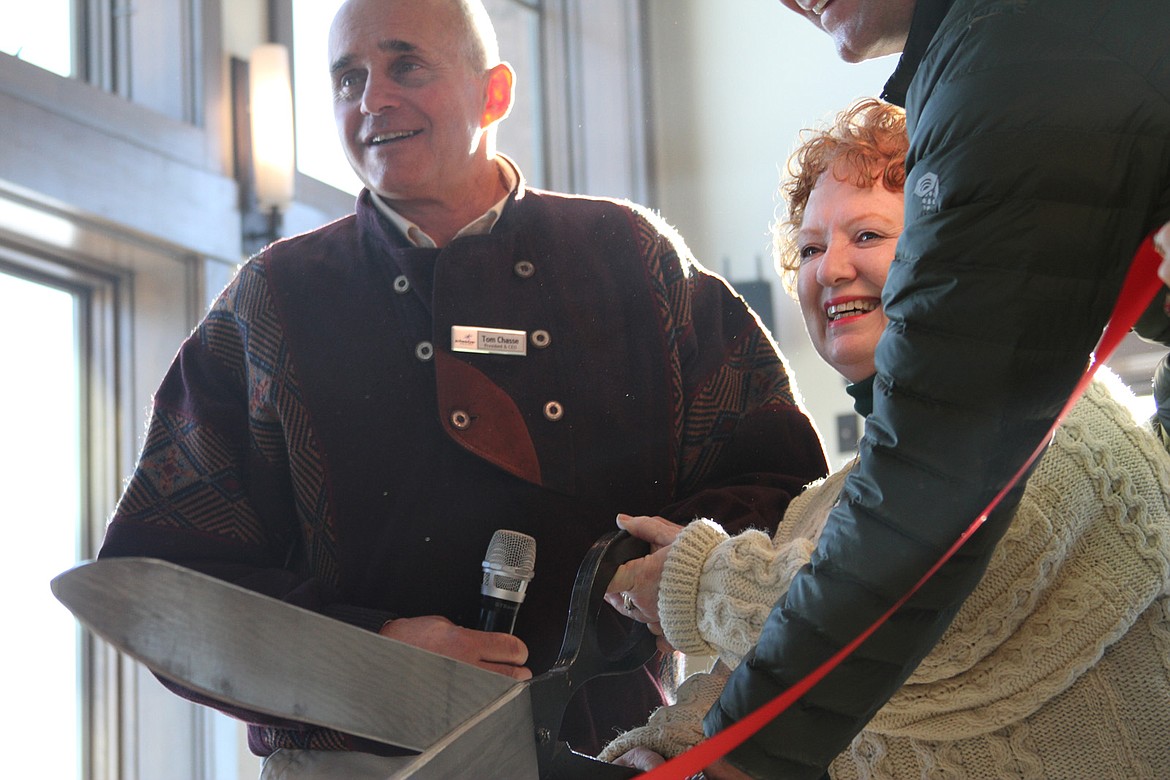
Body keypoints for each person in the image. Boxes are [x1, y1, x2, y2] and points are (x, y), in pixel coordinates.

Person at [94, 0, 829, 775]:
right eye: (348, 78)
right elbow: (166, 588)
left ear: (496, 93)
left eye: (405, 65)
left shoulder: (634, 262)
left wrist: (674, 572)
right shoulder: (270, 303)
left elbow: (787, 493)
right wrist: (375, 651)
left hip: (615, 752)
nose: (372, 97)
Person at [607, 2, 1170, 776]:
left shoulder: (1068, 429)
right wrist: (663, 744)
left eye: (867, 235)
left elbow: (941, 611)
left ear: (947, 242)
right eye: (808, 248)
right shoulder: (822, 507)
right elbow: (775, 661)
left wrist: (698, 582)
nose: (831, 268)